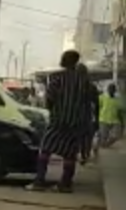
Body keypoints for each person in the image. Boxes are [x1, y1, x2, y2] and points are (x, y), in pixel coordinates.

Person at [26, 50, 97, 193]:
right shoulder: (86, 82)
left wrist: (54, 110)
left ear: (64, 60)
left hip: (58, 121)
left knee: (45, 149)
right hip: (76, 123)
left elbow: (49, 100)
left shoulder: (56, 77)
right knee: (70, 154)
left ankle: (39, 181)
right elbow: (90, 102)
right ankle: (65, 184)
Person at [93, 83, 124, 158]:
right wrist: (96, 118)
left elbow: (119, 111)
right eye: (110, 88)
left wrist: (122, 122)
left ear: (115, 90)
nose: (112, 90)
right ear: (108, 89)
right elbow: (96, 108)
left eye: (113, 89)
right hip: (103, 120)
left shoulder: (117, 100)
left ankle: (105, 144)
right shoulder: (102, 97)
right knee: (102, 137)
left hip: (114, 121)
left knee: (116, 135)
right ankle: (96, 147)